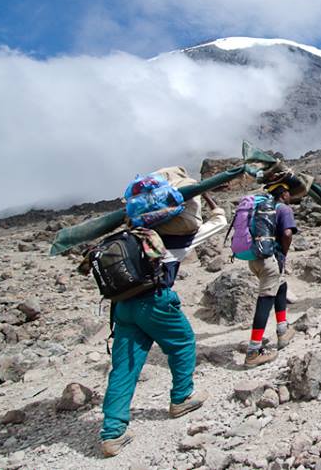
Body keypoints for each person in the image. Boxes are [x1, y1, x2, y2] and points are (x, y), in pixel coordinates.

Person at [98, 196, 223, 457]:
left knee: (125, 366)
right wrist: (210, 199)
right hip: (154, 302)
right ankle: (182, 398)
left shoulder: (129, 236)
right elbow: (218, 223)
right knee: (183, 342)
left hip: (123, 307)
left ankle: (112, 433)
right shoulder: (176, 238)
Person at [244, 175, 299, 367]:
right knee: (265, 301)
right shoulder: (283, 208)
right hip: (270, 260)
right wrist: (283, 253)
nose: (290, 196)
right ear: (283, 194)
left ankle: (283, 330)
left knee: (281, 286)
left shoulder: (260, 208)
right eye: (288, 193)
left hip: (254, 259)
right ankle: (253, 351)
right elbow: (287, 233)